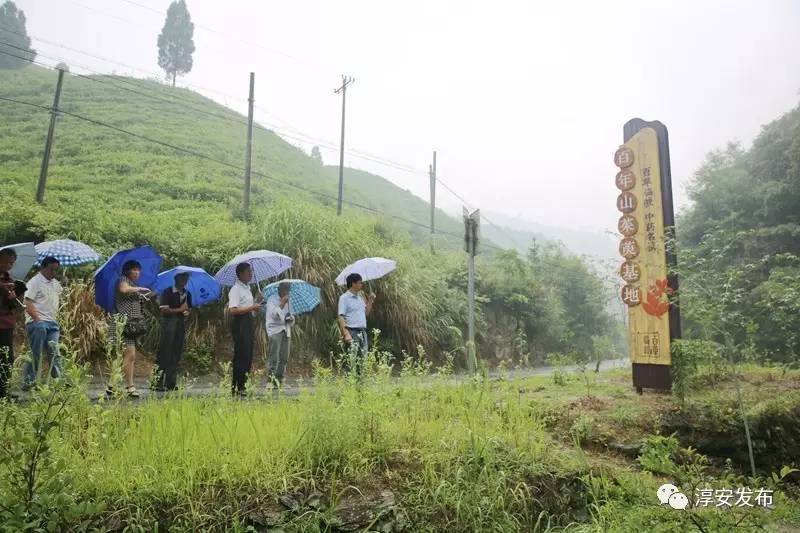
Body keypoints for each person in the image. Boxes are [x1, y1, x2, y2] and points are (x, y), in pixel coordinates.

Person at [108, 260, 153, 398]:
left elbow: (133, 297)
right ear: (127, 271)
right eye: (134, 269)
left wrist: (146, 295)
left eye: (138, 270)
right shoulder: (123, 280)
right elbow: (123, 289)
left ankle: (112, 385)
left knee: (126, 356)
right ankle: (129, 386)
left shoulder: (132, 285)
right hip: (122, 324)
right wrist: (139, 289)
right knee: (130, 355)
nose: (137, 272)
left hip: (130, 325)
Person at [22, 256, 63, 389]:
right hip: (37, 323)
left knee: (54, 352)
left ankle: (59, 382)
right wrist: (38, 320)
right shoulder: (34, 282)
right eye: (52, 269)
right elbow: (27, 302)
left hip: (52, 323)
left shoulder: (55, 283)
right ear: (43, 267)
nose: (54, 273)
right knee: (36, 352)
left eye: (56, 270)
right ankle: (29, 382)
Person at [227, 262, 262, 395]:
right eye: (248, 271)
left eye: (251, 271)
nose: (250, 274)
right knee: (241, 354)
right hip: (240, 324)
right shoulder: (236, 289)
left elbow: (250, 311)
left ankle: (243, 385)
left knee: (247, 355)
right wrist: (252, 307)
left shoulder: (247, 288)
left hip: (248, 322)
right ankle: (237, 387)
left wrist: (257, 302)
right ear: (240, 274)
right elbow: (233, 310)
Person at [154, 271, 192, 391]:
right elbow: (164, 310)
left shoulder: (187, 294)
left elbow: (187, 310)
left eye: (186, 278)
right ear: (176, 278)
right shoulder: (168, 291)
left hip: (180, 325)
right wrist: (180, 309)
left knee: (176, 352)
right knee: (164, 352)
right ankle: (157, 382)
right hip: (168, 324)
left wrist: (186, 312)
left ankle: (171, 382)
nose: (184, 280)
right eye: (182, 277)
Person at [337, 273, 376, 374]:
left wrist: (370, 300)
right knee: (351, 360)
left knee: (362, 359)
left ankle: (360, 386)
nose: (361, 285)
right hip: (352, 331)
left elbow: (366, 313)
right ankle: (349, 385)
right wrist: (346, 334)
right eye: (359, 283)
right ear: (353, 284)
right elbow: (341, 316)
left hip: (362, 332)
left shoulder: (360, 298)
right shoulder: (344, 298)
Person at [265, 281, 294, 387]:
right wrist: (282, 303)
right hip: (275, 330)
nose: (287, 291)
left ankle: (280, 381)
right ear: (280, 289)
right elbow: (273, 315)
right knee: (274, 357)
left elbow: (291, 315)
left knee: (284, 357)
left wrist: (291, 319)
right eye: (286, 288)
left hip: (286, 330)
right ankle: (270, 381)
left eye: (289, 289)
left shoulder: (289, 301)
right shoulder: (272, 299)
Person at [0, 248, 19, 398]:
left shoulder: (10, 280)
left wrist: (14, 296)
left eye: (11, 263)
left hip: (6, 323)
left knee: (7, 357)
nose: (8, 265)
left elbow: (13, 305)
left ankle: (3, 391)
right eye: (6, 261)